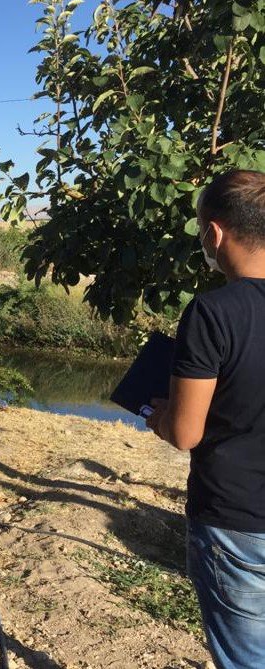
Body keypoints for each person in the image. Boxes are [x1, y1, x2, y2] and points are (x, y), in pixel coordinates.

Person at [147, 169, 265, 669]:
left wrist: (157, 414)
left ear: (214, 233)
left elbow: (185, 432)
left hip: (236, 519)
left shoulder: (213, 313)